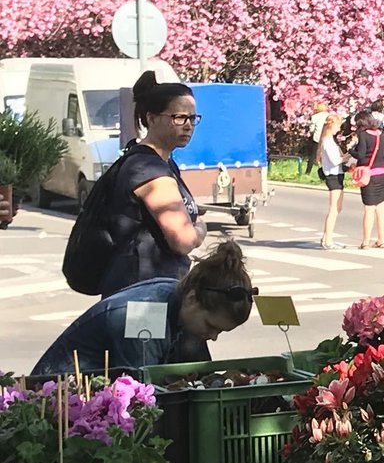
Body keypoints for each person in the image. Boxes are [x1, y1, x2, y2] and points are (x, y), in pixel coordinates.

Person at [32, 241, 255, 374]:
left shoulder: (177, 296)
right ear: (192, 299)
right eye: (211, 326)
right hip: (58, 397)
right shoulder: (146, 312)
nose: (213, 337)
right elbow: (142, 393)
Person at [100, 71, 206, 298]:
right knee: (149, 336)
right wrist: (200, 230)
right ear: (151, 118)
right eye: (179, 117)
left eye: (192, 118)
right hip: (142, 295)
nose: (188, 126)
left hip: (148, 289)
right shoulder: (149, 170)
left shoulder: (160, 164)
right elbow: (182, 240)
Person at [352, 110, 384, 249]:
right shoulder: (381, 135)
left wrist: (351, 150)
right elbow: (383, 153)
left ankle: (366, 241)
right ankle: (381, 240)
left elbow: (361, 155)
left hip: (369, 174)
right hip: (383, 172)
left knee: (369, 208)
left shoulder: (363, 135)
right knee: (381, 207)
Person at [317, 113, 350, 250]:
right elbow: (336, 161)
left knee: (337, 208)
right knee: (334, 208)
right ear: (332, 126)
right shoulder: (328, 142)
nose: (339, 129)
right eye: (338, 126)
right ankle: (328, 239)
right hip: (333, 176)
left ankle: (326, 237)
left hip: (337, 175)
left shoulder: (331, 141)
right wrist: (349, 155)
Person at [305, 101, 329, 176]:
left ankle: (307, 172)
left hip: (317, 138)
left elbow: (312, 129)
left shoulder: (315, 117)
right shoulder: (329, 116)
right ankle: (327, 172)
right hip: (327, 138)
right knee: (326, 156)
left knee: (312, 156)